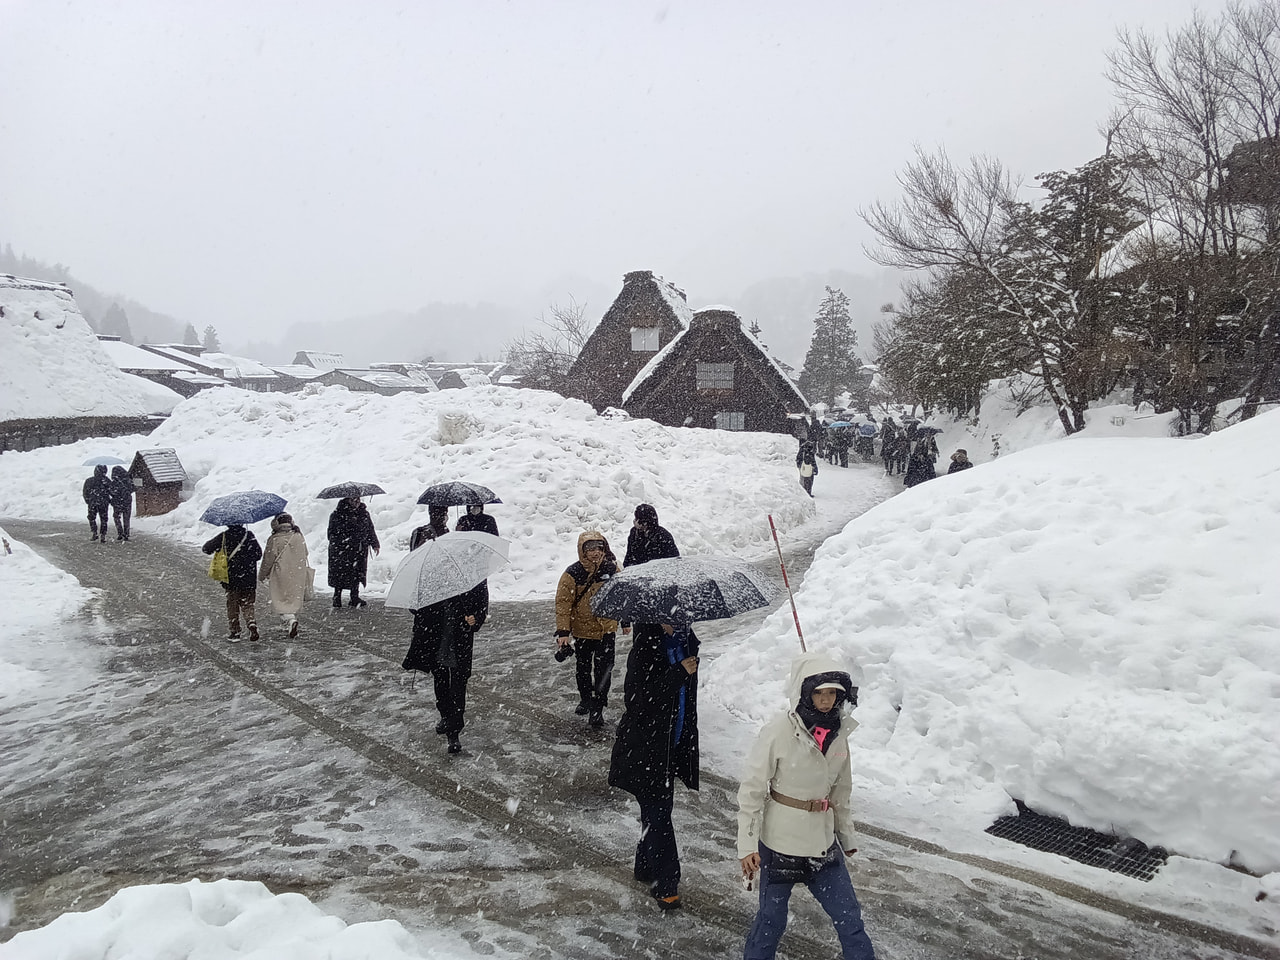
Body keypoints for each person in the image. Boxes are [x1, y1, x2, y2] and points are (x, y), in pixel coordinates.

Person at [738, 651, 877, 960]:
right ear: (804, 691)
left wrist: (848, 837)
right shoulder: (778, 731)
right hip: (779, 846)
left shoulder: (840, 733)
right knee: (770, 922)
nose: (826, 700)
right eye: (819, 692)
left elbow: (841, 792)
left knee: (850, 921)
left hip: (823, 846)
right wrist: (747, 845)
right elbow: (751, 791)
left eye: (832, 693)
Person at [609, 620, 700, 911]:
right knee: (659, 813)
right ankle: (666, 884)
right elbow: (638, 700)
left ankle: (645, 866)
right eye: (673, 617)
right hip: (646, 748)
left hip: (672, 745)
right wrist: (678, 673)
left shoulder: (687, 644)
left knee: (657, 811)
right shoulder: (645, 648)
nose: (680, 620)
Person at [401, 520, 490, 754]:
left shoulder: (466, 566)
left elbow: (481, 596)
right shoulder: (423, 572)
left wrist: (476, 617)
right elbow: (414, 606)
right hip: (435, 634)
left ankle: (455, 728)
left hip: (460, 633)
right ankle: (445, 715)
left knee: (459, 681)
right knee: (441, 681)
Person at [554, 531, 622, 728]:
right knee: (583, 668)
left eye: (598, 548)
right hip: (583, 630)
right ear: (582, 551)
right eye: (590, 549)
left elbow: (621, 596)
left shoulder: (612, 569)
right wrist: (563, 632)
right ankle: (586, 698)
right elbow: (563, 603)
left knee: (604, 669)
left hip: (606, 629)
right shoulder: (572, 573)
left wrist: (624, 621)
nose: (595, 553)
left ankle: (598, 707)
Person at [202, 523, 262, 642]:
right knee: (248, 603)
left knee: (232, 605)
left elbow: (206, 548)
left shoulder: (224, 536)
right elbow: (258, 554)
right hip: (249, 578)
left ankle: (235, 631)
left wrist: (221, 549)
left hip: (231, 578)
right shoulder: (249, 535)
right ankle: (251, 622)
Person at [258, 512, 309, 638]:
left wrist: (262, 575)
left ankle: (290, 620)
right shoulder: (298, 536)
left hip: (280, 573)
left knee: (280, 601)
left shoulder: (275, 539)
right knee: (292, 599)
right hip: (297, 573)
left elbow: (268, 559)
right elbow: (305, 553)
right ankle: (291, 620)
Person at [327, 496, 379, 607]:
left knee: (357, 573)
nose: (356, 502)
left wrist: (375, 544)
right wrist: (346, 539)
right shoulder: (337, 515)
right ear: (347, 500)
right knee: (340, 573)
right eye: (353, 500)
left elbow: (370, 529)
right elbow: (331, 534)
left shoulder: (364, 514)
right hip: (342, 551)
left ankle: (354, 597)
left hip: (359, 550)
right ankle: (337, 597)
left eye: (358, 500)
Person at [82, 464, 110, 543]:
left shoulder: (89, 481)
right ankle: (103, 535)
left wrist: (88, 500)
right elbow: (111, 490)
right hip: (103, 502)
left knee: (91, 518)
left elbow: (85, 492)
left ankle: (94, 532)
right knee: (104, 519)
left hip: (93, 502)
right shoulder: (106, 480)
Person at [108, 466, 134, 541]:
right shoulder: (128, 480)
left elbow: (111, 491)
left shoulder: (114, 482)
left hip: (117, 502)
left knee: (116, 517)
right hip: (127, 502)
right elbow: (133, 489)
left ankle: (120, 533)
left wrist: (115, 496)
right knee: (126, 518)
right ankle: (126, 533)